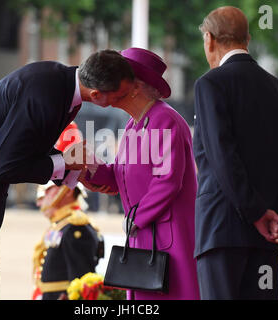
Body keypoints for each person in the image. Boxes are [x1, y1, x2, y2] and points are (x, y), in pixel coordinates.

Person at [0, 50, 134, 299]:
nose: (124, 101)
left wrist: (74, 172)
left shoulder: (59, 82)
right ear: (97, 95)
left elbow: (27, 147)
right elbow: (8, 165)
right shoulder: (48, 94)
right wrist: (65, 163)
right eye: (121, 96)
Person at [193, 6, 278, 300]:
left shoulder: (210, 84)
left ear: (209, 39)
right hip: (267, 238)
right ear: (247, 39)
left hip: (222, 232)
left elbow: (222, 155)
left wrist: (256, 212)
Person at [79, 47, 200, 300]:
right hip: (145, 233)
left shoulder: (164, 119)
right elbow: (118, 177)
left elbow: (167, 180)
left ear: (134, 86)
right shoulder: (135, 123)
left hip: (168, 237)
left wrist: (137, 218)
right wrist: (84, 166)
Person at [32, 123, 104, 300]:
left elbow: (81, 283)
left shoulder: (76, 226)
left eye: (49, 190)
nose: (42, 198)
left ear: (68, 190)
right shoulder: (60, 225)